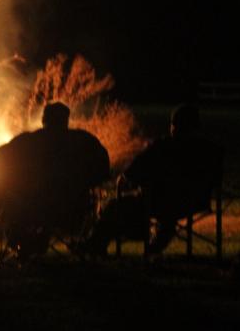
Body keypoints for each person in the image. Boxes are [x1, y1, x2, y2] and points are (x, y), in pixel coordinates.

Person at [86, 104, 223, 256]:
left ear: (173, 127)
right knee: (167, 212)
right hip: (195, 202)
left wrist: (128, 181)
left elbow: (133, 173)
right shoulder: (210, 150)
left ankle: (95, 244)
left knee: (115, 207)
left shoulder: (162, 147)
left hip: (157, 202)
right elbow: (217, 179)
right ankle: (156, 241)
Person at [0, 102, 109, 257]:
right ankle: (33, 242)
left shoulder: (26, 143)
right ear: (66, 120)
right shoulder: (84, 142)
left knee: (8, 201)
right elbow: (103, 170)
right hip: (73, 211)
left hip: (30, 209)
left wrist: (10, 181)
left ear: (43, 120)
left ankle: (22, 242)